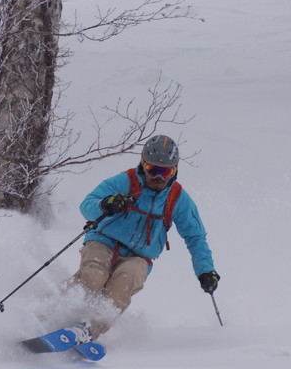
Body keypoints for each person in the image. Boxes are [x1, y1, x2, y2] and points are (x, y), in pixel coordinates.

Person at [70, 134, 219, 342]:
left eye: (165, 172)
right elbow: (87, 205)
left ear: (174, 171)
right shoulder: (125, 181)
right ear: (143, 164)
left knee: (124, 284)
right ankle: (60, 313)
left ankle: (87, 331)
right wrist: (105, 205)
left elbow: (195, 237)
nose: (158, 177)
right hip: (103, 241)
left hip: (138, 257)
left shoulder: (177, 198)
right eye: (153, 170)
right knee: (93, 275)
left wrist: (205, 270)